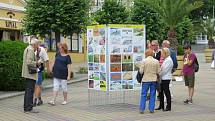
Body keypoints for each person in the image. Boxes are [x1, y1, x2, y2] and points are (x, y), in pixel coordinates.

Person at [139, 49, 160, 114]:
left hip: (146, 79)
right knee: (153, 94)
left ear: (146, 54)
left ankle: (142, 109)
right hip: (153, 80)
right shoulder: (156, 61)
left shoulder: (144, 61)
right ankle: (151, 109)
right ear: (152, 54)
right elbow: (158, 72)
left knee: (143, 94)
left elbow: (141, 71)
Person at [22, 38, 39, 113]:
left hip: (28, 73)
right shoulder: (31, 50)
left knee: (28, 91)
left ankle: (27, 108)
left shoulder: (28, 48)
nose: (37, 46)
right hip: (30, 74)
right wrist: (37, 62)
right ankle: (28, 108)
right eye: (37, 45)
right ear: (34, 44)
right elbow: (29, 62)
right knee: (30, 91)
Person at [33, 40, 50, 106]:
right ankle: (39, 99)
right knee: (37, 85)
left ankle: (35, 100)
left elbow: (47, 60)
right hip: (33, 70)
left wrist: (48, 70)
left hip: (39, 70)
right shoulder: (31, 49)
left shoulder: (42, 50)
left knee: (37, 85)